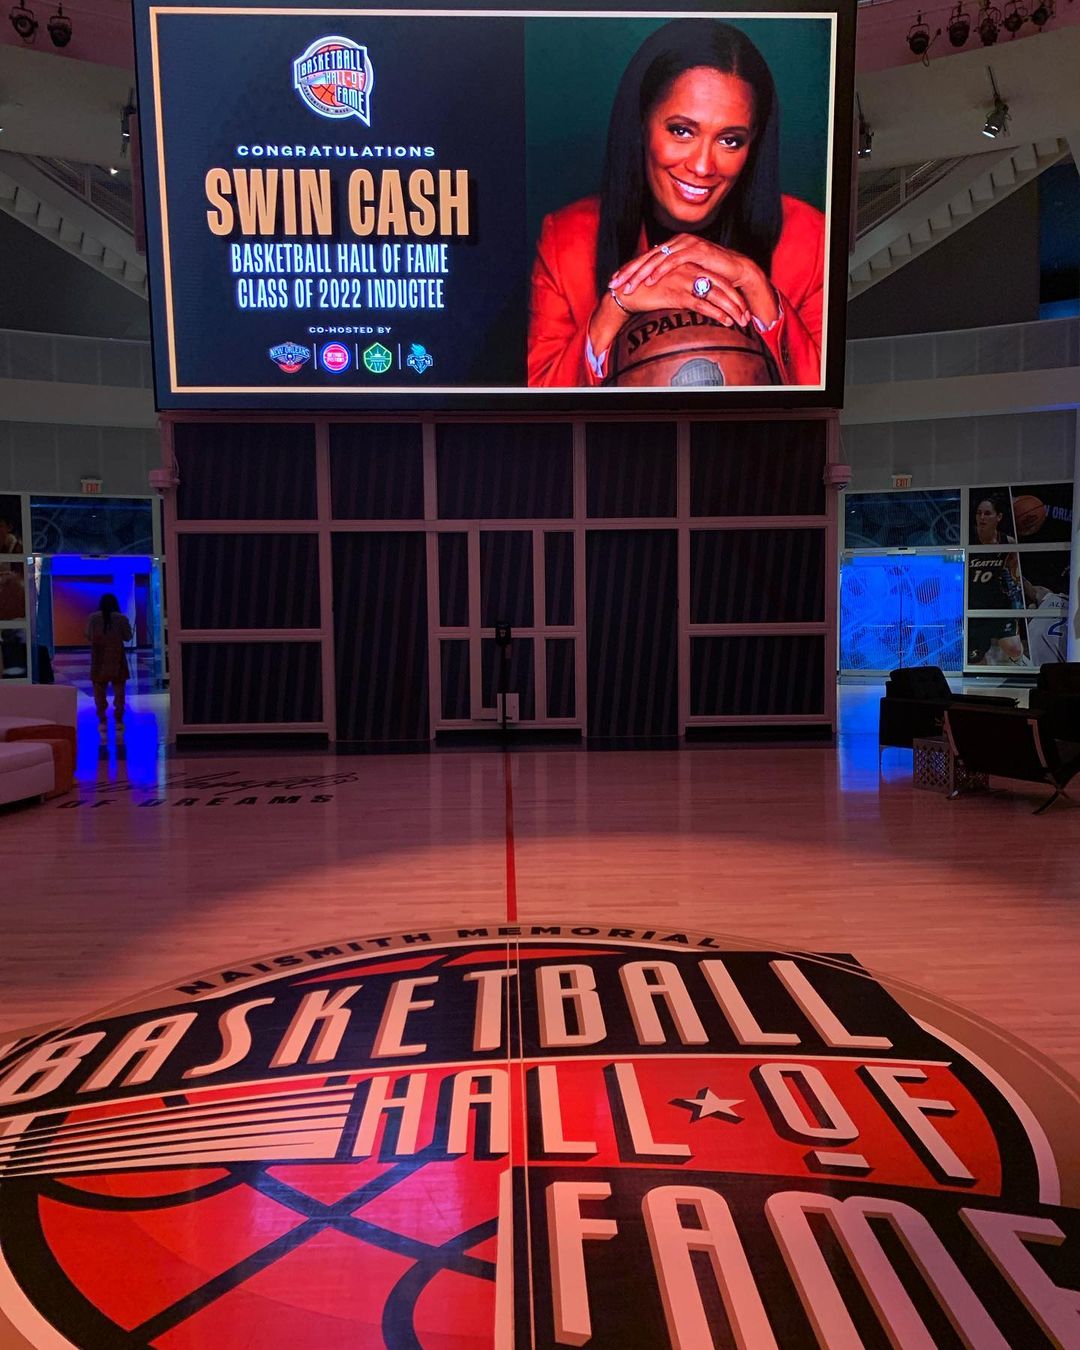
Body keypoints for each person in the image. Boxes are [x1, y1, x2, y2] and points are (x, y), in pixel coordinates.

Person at [528, 19, 825, 388]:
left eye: (730, 140)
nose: (702, 166)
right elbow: (539, 401)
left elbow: (823, 400)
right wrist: (614, 310)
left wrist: (756, 287)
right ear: (641, 122)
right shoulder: (567, 240)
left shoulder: (810, 239)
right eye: (681, 131)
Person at [86, 593, 132, 736]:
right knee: (119, 691)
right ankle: (119, 718)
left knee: (99, 690)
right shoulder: (121, 618)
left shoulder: (93, 618)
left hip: (99, 659)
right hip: (117, 658)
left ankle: (102, 718)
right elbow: (128, 637)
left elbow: (88, 636)